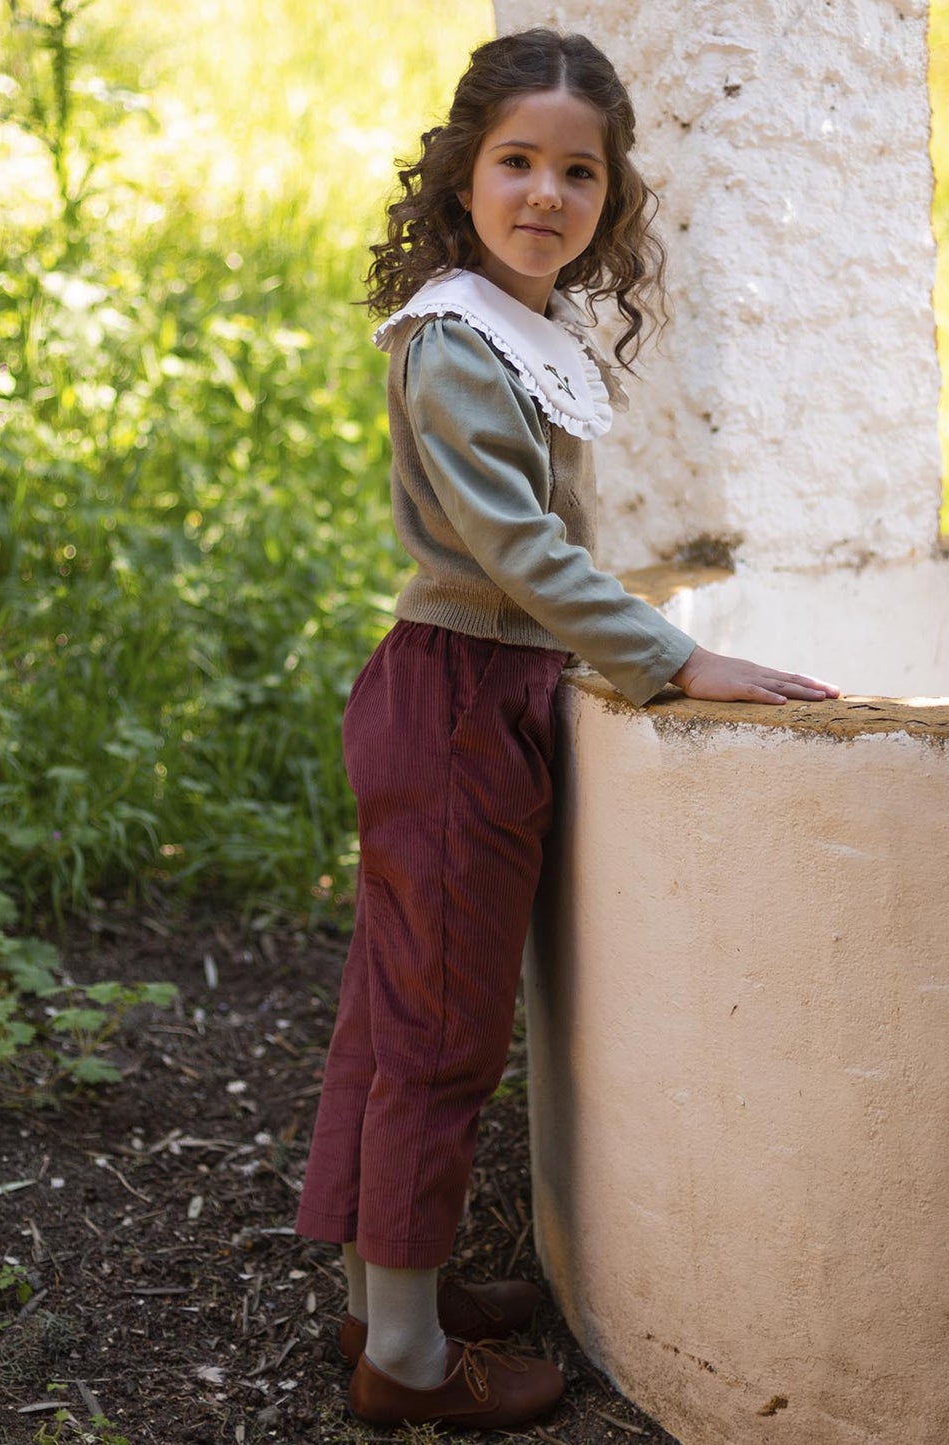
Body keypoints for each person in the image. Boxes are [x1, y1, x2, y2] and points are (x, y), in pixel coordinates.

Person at [294, 28, 840, 1431]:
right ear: (462, 174)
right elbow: (523, 556)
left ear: (610, 194)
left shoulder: (510, 328)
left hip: (468, 696)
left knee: (400, 1002)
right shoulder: (455, 343)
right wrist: (676, 658)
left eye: (577, 170)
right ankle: (404, 1360)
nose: (545, 192)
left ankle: (384, 1288)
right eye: (516, 162)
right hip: (460, 703)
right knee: (437, 1032)